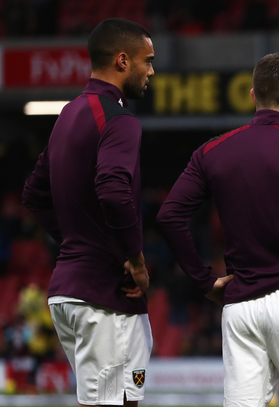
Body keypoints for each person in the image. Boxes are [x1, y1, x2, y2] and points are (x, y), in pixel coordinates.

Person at [156, 53, 279, 407]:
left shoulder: (212, 151)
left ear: (253, 95)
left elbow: (170, 216)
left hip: (240, 304)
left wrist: (205, 282)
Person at [22, 18, 157, 407]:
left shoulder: (68, 115)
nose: (151, 70)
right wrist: (135, 260)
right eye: (146, 60)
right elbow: (113, 190)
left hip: (84, 293)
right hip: (103, 300)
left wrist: (80, 243)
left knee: (126, 398)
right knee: (108, 403)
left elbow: (34, 193)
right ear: (121, 60)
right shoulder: (119, 121)